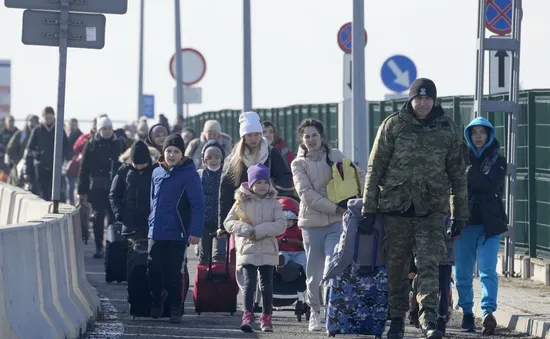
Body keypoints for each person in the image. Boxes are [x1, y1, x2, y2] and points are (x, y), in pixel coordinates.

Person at [360, 78, 468, 339]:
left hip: (431, 211)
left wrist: (460, 214)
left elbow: (458, 175)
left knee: (429, 265)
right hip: (396, 209)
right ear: (410, 100)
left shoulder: (447, 129)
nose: (422, 103)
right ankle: (396, 319)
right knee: (397, 268)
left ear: (434, 100)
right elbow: (376, 168)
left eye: (427, 98)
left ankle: (428, 318)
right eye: (418, 99)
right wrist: (368, 209)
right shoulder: (393, 125)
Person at [290, 118, 364, 332]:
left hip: (335, 223)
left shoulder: (335, 155)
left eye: (315, 135)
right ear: (301, 139)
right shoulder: (298, 164)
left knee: (334, 265)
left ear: (322, 137)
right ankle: (315, 311)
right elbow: (306, 195)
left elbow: (357, 175)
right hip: (311, 224)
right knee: (313, 274)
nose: (311, 140)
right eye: (307, 136)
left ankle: (334, 311)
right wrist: (335, 208)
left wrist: (369, 193)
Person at [454, 116, 507, 335]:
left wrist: (468, 174)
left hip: (490, 225)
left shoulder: (498, 159)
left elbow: (490, 184)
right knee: (463, 273)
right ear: (468, 135)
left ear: (489, 135)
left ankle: (487, 312)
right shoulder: (458, 158)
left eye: (482, 132)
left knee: (487, 271)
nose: (478, 136)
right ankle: (467, 312)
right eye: (474, 132)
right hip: (463, 224)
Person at [148, 134, 205, 323]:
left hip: (177, 232)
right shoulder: (156, 172)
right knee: (153, 270)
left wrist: (195, 231)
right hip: (156, 231)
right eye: (168, 151)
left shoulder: (189, 174)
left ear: (182, 154)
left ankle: (174, 307)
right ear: (163, 152)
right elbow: (153, 200)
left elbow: (198, 205)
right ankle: (157, 298)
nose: (171, 155)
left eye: (176, 152)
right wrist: (150, 222)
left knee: (174, 273)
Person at [224, 163, 286, 333]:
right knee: (249, 284)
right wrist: (245, 229)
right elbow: (229, 222)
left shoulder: (274, 203)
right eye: (258, 182)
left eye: (265, 182)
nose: (262, 186)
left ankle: (266, 318)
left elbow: (281, 224)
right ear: (250, 184)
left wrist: (259, 231)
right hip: (248, 248)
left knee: (267, 286)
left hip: (267, 248)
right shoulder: (241, 202)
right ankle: (247, 316)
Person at [218, 111, 294, 237]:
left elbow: (285, 177)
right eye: (249, 135)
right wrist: (222, 225)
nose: (253, 139)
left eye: (256, 135)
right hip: (244, 214)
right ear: (243, 137)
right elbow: (225, 190)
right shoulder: (236, 158)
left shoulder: (270, 152)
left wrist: (277, 198)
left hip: (268, 211)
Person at [78, 116, 124, 258]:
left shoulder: (119, 143)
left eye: (109, 128)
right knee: (97, 218)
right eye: (104, 128)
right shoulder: (91, 144)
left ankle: (112, 246)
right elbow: (84, 168)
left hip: (115, 187)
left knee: (114, 219)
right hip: (97, 188)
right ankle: (99, 247)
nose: (107, 131)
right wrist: (82, 190)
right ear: (99, 129)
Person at [109, 140, 153, 240]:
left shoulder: (155, 170)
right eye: (135, 164)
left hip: (150, 224)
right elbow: (114, 195)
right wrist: (120, 214)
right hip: (129, 224)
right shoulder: (124, 170)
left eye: (142, 164)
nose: (139, 167)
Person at [25, 106, 70, 200]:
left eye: (50, 117)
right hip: (40, 166)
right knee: (42, 190)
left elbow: (66, 147)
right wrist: (38, 155)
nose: (48, 120)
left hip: (56, 166)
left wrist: (63, 160)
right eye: (46, 117)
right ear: (43, 118)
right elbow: (30, 148)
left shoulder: (59, 130)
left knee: (55, 191)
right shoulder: (37, 130)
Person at [196, 140, 227, 263]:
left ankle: (220, 279)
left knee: (220, 254)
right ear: (204, 160)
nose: (213, 161)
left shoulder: (226, 175)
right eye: (209, 158)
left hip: (222, 221)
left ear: (222, 159)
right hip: (205, 221)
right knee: (204, 254)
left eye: (217, 157)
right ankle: (204, 279)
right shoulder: (200, 175)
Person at [276, 197, 307, 271]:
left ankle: (307, 275)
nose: (287, 223)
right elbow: (275, 240)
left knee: (304, 260)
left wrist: (301, 243)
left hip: (298, 252)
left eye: (289, 220)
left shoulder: (299, 229)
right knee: (281, 255)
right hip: (284, 251)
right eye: (284, 220)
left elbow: (303, 240)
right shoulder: (278, 230)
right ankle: (280, 264)